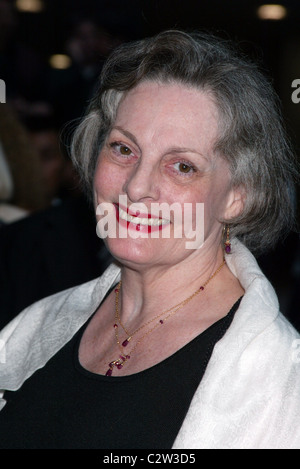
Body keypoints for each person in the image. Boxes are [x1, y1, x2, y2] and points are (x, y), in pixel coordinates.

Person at [0, 30, 299, 449]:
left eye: (182, 166)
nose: (138, 187)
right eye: (123, 149)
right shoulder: (34, 327)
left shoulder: (280, 380)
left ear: (236, 198)